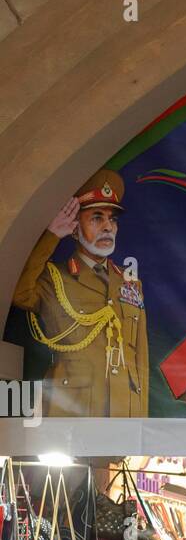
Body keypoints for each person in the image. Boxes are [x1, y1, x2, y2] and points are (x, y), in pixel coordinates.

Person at [12, 170, 149, 417]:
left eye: (112, 219)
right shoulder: (54, 278)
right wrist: (51, 237)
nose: (108, 226)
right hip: (70, 412)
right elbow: (19, 294)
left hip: (123, 412)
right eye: (96, 218)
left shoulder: (130, 284)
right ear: (74, 228)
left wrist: (140, 422)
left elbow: (141, 361)